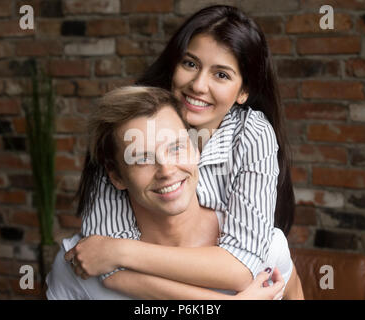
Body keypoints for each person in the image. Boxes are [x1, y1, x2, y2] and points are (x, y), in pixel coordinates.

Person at [66, 5, 299, 298]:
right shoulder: (128, 126)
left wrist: (121, 251)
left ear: (243, 91)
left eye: (222, 75)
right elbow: (106, 268)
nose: (199, 85)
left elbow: (241, 267)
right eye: (190, 64)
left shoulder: (251, 133)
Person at [46, 86, 302, 299]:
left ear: (197, 149)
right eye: (142, 159)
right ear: (116, 176)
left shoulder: (266, 248)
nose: (166, 170)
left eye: (177, 147)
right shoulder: (80, 265)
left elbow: (293, 292)